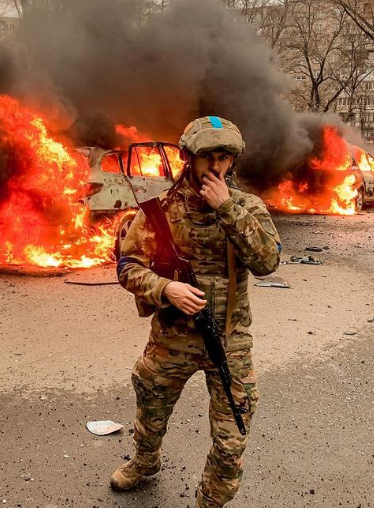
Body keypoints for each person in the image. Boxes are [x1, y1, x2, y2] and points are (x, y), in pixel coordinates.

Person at [112, 116, 281, 508]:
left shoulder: (247, 207)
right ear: (189, 158)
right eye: (208, 157)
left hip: (229, 341)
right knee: (150, 403)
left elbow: (268, 261)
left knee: (232, 435)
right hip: (172, 337)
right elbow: (127, 266)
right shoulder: (161, 210)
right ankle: (145, 461)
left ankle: (210, 501)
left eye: (224, 157)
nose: (216, 166)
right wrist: (164, 288)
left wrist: (228, 209)